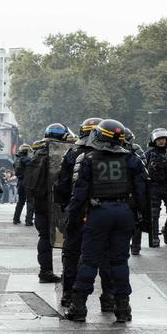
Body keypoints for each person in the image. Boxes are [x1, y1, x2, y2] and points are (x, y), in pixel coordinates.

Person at [65, 119, 148, 323]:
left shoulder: (88, 159)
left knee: (89, 260)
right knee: (119, 261)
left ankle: (79, 308)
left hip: (98, 212)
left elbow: (79, 193)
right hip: (124, 212)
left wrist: (72, 219)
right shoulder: (132, 158)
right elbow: (143, 191)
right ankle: (122, 309)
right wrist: (143, 218)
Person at [54, 118, 112, 310]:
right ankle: (109, 299)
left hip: (78, 209)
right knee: (106, 256)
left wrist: (65, 207)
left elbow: (62, 184)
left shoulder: (73, 153)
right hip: (104, 210)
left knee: (72, 254)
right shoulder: (112, 154)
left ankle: (68, 295)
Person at [24, 124, 68, 283]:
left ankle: (45, 271)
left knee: (44, 238)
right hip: (57, 202)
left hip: (39, 202)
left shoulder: (37, 154)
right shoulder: (60, 154)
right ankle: (68, 272)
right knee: (67, 237)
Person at [145, 129, 167, 247]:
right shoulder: (148, 154)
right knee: (153, 213)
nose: (161, 141)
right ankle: (154, 237)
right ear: (154, 140)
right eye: (159, 139)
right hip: (154, 186)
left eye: (163, 139)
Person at [12, 145, 33, 225]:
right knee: (30, 201)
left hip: (20, 182)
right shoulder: (26, 159)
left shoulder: (17, 159)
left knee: (20, 201)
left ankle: (16, 219)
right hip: (27, 182)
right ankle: (28, 220)